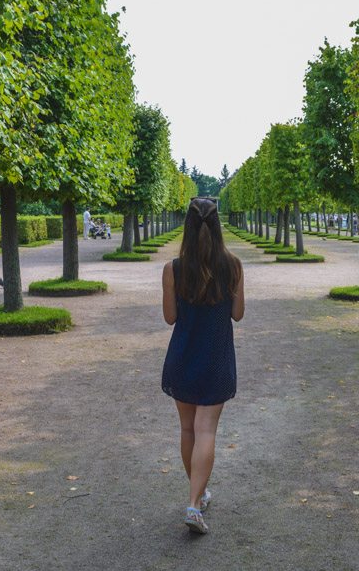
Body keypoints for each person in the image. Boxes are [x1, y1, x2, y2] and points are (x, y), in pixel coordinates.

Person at [161, 197, 245, 534]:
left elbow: (170, 318)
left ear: (188, 227)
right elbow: (237, 314)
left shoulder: (174, 268)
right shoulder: (233, 266)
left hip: (183, 356)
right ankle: (195, 503)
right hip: (215, 357)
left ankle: (198, 496)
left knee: (187, 430)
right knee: (206, 430)